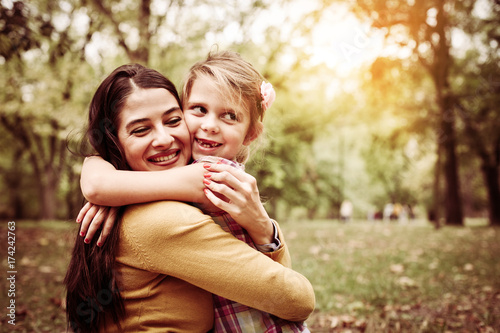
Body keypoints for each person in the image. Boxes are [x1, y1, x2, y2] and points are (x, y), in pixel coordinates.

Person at [64, 63, 315, 332]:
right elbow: (297, 300)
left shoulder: (131, 198)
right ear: (113, 142)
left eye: (173, 121)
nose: (163, 139)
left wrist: (264, 229)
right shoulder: (166, 218)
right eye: (140, 130)